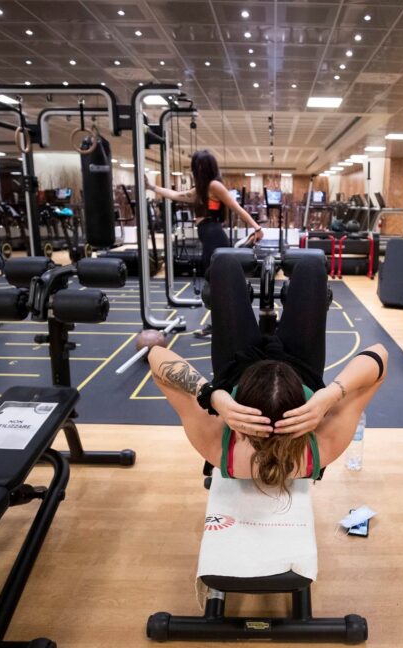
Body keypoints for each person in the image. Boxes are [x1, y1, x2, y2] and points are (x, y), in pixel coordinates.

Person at [148, 253, 387, 498]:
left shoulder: (215, 444)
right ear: (303, 403)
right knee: (311, 267)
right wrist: (330, 395)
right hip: (300, 366)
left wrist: (211, 396)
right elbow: (380, 355)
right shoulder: (323, 445)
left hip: (238, 366)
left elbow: (156, 356)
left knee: (224, 265)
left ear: (238, 407)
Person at [144, 150, 264, 337]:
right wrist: (152, 187)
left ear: (207, 168)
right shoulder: (201, 189)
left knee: (217, 283)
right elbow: (175, 195)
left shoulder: (214, 185)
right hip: (209, 238)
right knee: (214, 283)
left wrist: (257, 228)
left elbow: (236, 207)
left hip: (214, 237)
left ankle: (222, 326)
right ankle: (219, 325)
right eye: (196, 167)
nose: (197, 171)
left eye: (200, 167)